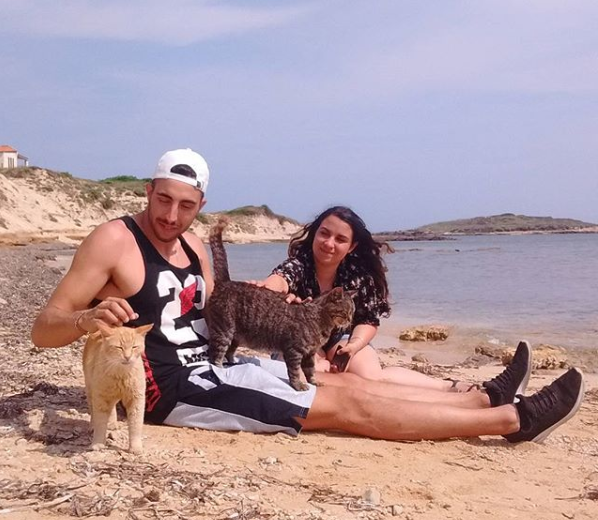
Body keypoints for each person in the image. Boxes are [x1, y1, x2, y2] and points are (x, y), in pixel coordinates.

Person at [31, 148, 585, 443]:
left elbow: (224, 309)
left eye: (186, 205)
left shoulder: (194, 246)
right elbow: (42, 329)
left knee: (344, 382)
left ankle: (482, 399)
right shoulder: (113, 240)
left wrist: (280, 314)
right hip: (170, 389)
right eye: (163, 200)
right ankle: (514, 420)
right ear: (148, 190)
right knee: (346, 407)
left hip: (217, 365)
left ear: (201, 205)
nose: (171, 215)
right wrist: (87, 318)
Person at [258, 206, 497, 394]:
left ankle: (450, 387)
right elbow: (279, 280)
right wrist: (264, 289)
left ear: (352, 246)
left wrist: (354, 345)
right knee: (318, 372)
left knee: (372, 377)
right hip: (297, 337)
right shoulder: (299, 265)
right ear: (315, 233)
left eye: (340, 239)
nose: (329, 244)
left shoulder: (358, 276)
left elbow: (369, 320)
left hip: (342, 336)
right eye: (324, 233)